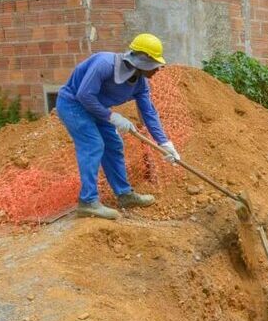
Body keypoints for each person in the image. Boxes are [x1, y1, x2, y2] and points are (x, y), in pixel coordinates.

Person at [56, 33, 180, 220]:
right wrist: (112, 116)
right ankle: (87, 202)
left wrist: (164, 143)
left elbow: (149, 113)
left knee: (114, 145)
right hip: (73, 105)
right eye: (155, 64)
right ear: (142, 61)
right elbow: (84, 95)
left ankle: (124, 195)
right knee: (93, 144)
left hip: (97, 109)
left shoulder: (140, 84)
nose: (158, 69)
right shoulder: (105, 65)